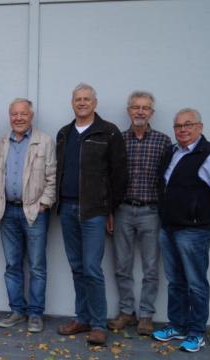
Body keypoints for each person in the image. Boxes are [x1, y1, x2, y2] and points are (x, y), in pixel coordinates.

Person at [152, 108, 210, 353]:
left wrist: (204, 216)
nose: (183, 130)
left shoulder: (209, 155)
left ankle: (197, 332)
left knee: (196, 283)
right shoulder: (172, 152)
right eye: (178, 126)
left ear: (200, 127)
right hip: (169, 227)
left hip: (194, 231)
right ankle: (176, 325)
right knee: (175, 281)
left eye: (188, 125)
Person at [55, 83, 127, 346]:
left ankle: (98, 324)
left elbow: (119, 175)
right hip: (67, 209)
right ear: (72, 103)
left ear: (95, 103)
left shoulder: (108, 132)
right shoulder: (64, 133)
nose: (82, 103)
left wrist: (110, 209)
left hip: (94, 212)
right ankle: (82, 318)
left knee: (92, 269)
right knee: (76, 267)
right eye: (78, 99)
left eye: (87, 99)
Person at [108, 91, 172, 336]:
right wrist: (110, 211)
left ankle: (146, 315)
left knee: (151, 267)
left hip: (151, 212)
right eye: (135, 107)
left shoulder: (163, 141)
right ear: (128, 111)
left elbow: (168, 179)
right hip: (123, 209)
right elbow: (110, 178)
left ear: (152, 113)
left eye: (145, 108)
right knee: (122, 265)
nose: (140, 112)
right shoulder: (119, 140)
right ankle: (126, 312)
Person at [0, 98, 56, 333]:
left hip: (34, 212)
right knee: (12, 265)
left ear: (31, 116)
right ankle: (17, 311)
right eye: (14, 114)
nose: (18, 118)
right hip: (8, 211)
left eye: (23, 114)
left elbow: (52, 177)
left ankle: (35, 314)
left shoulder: (45, 141)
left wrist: (44, 204)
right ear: (9, 116)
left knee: (37, 266)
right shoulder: (2, 143)